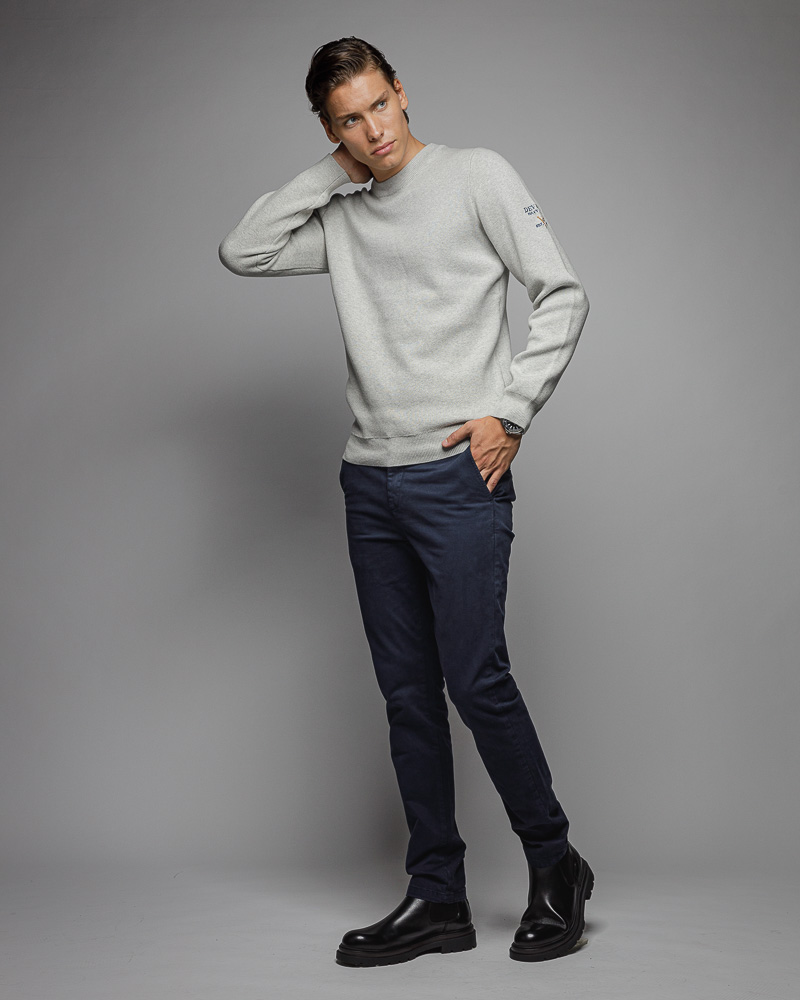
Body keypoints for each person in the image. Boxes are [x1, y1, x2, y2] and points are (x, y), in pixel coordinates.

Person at [218, 35, 593, 967]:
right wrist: (330, 175)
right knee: (407, 697)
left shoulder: (476, 177)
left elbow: (562, 293)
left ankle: (556, 863)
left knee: (475, 680)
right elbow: (243, 250)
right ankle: (438, 897)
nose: (374, 131)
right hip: (369, 479)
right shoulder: (346, 216)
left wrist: (512, 411)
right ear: (330, 129)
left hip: (459, 475)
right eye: (349, 120)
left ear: (402, 92)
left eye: (379, 105)